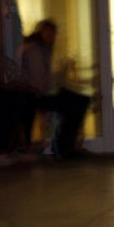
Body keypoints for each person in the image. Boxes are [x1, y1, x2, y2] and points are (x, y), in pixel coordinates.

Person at [19, 19, 91, 159]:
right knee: (75, 103)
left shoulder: (44, 50)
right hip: (35, 95)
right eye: (49, 33)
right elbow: (38, 81)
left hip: (40, 93)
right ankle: (64, 148)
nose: (52, 37)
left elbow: (46, 78)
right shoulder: (35, 51)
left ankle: (66, 146)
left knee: (79, 101)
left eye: (53, 33)